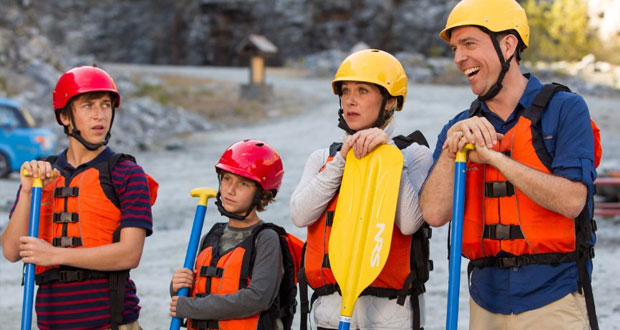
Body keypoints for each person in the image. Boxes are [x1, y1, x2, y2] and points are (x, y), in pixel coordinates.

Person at [419, 0, 599, 329]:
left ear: (508, 45)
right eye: (455, 48)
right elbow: (433, 213)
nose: (459, 58)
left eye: (469, 43)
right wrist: (450, 151)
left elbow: (573, 201)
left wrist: (494, 159)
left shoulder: (566, 110)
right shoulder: (459, 126)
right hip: (484, 302)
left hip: (553, 299)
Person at [1, 65, 157, 330]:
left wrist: (54, 255)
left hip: (112, 323)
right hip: (52, 323)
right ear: (65, 116)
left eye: (106, 105)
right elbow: (11, 251)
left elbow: (130, 254)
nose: (100, 115)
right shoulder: (41, 175)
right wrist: (27, 190)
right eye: (88, 106)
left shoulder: (127, 174)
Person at [290, 49, 434, 330]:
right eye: (345, 91)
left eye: (363, 91)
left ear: (390, 101)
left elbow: (408, 223)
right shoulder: (324, 158)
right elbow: (300, 214)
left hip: (391, 315)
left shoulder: (414, 155)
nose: (350, 100)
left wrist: (389, 155)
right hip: (330, 314)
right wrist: (341, 161)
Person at [169, 139, 301, 330]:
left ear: (262, 194)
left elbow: (257, 298)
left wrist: (191, 307)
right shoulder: (212, 235)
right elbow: (190, 296)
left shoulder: (266, 239)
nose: (230, 190)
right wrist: (176, 287)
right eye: (226, 179)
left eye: (243, 184)